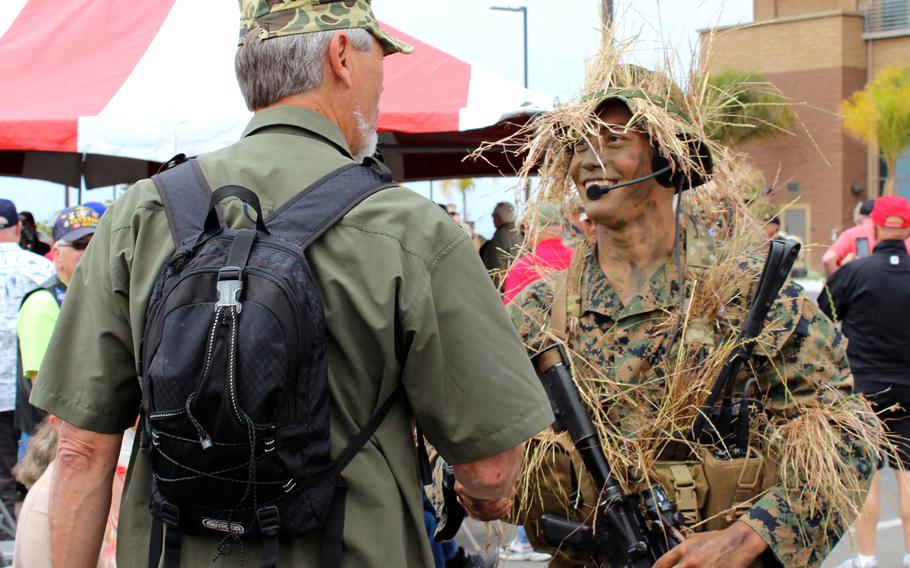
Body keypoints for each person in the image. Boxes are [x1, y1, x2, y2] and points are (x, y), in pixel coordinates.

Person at [29, 2, 554, 567]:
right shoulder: (412, 230)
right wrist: (479, 497)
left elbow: (81, 451)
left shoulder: (140, 214)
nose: (382, 83)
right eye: (381, 56)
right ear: (342, 57)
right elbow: (491, 467)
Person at [503, 49, 884, 568]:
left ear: (668, 157)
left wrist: (751, 537)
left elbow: (848, 440)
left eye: (614, 138)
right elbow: (461, 435)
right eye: (578, 144)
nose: (590, 157)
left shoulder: (751, 300)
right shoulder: (537, 311)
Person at [818, 195, 910, 568]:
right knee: (908, 473)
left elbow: (822, 315)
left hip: (864, 386)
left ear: (872, 227)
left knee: (865, 474)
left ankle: (866, 558)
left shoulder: (856, 273)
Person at [16, 205, 100, 439]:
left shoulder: (98, 297)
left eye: (96, 243)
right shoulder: (43, 302)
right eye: (79, 245)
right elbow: (42, 388)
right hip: (51, 438)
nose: (89, 251)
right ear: (55, 253)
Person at [0, 198, 54, 525]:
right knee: (35, 462)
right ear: (18, 227)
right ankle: (25, 524)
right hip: (29, 385)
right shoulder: (40, 267)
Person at [502, 202, 574, 305]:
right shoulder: (580, 260)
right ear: (562, 226)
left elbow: (510, 315)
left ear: (528, 229)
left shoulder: (523, 267)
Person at [480, 202, 522, 278]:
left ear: (498, 217)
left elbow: (497, 268)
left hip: (504, 285)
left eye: (493, 216)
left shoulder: (501, 236)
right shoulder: (519, 232)